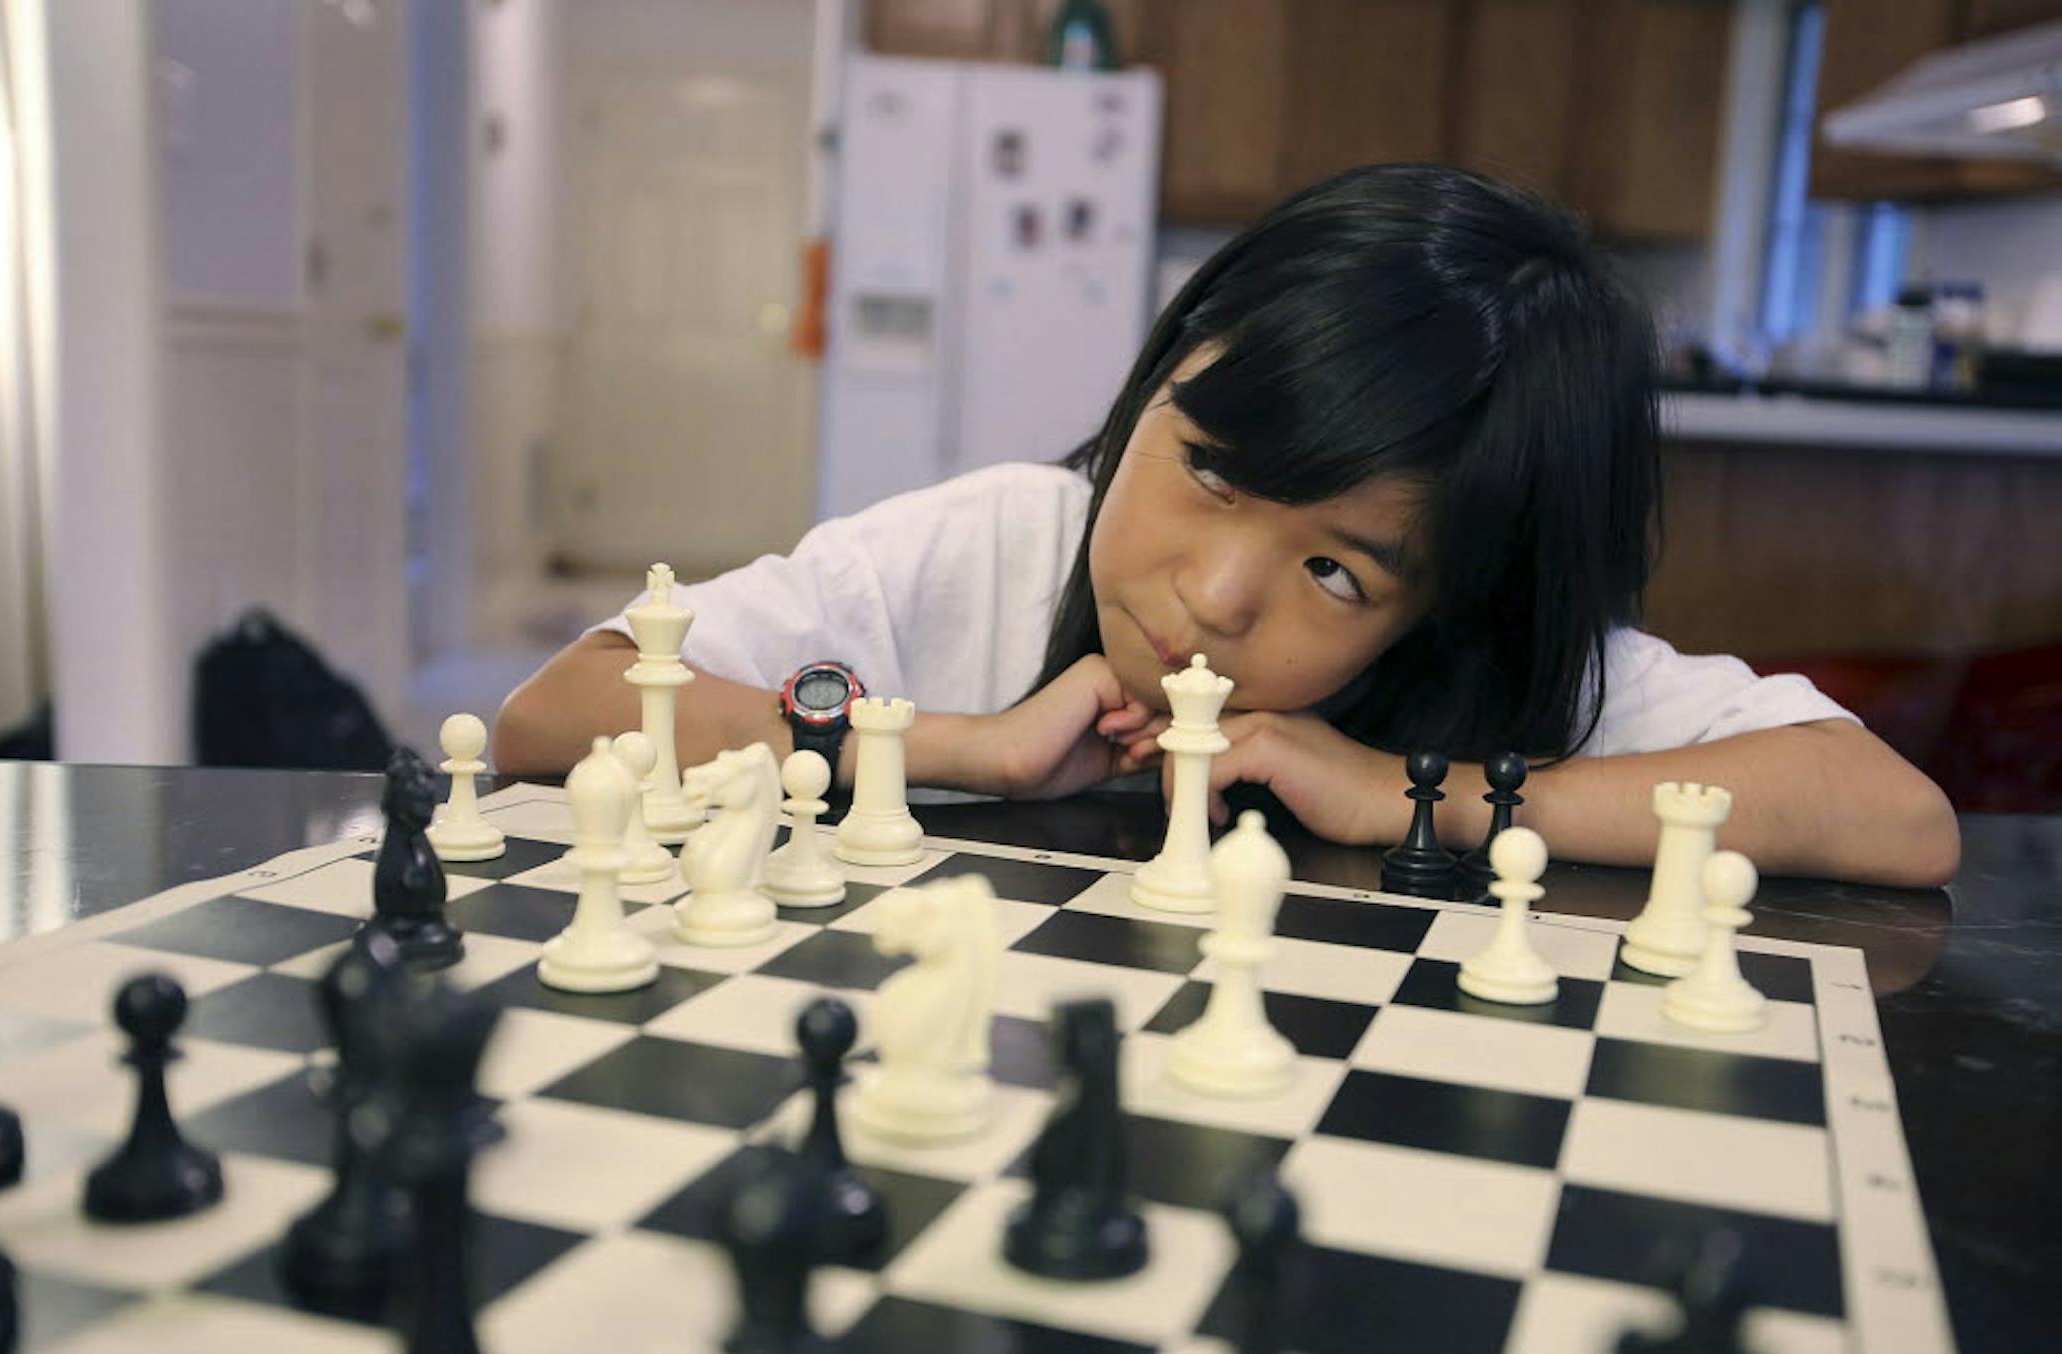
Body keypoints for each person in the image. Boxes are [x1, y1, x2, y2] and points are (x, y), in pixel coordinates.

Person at [497, 165, 1958, 887]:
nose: (1212, 593)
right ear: (1156, 380)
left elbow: (1897, 813)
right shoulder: (1005, 544)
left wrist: (1417, 792)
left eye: (1337, 568)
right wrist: (959, 745)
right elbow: (552, 711)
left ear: (1442, 601)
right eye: (1204, 468)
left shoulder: (1511, 673)